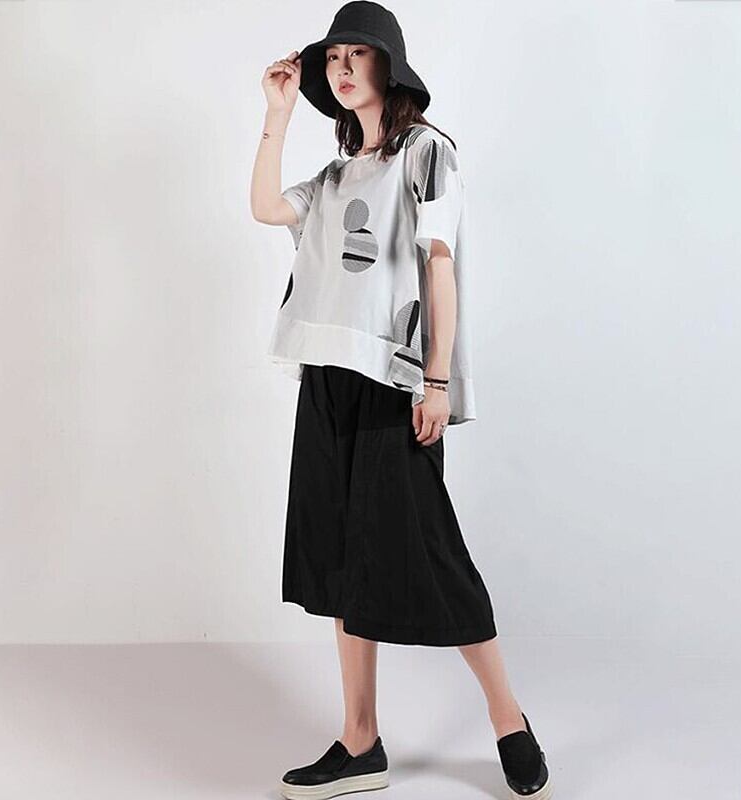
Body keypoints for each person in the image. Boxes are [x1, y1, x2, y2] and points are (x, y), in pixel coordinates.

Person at [250, 3, 553, 799]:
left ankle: (508, 719)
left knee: (432, 552)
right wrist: (278, 114)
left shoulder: (426, 153)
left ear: (390, 65)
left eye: (359, 53)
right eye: (333, 58)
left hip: (395, 380)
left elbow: (438, 264)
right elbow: (266, 208)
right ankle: (361, 740)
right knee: (340, 559)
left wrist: (437, 380)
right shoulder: (334, 175)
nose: (343, 67)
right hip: (328, 376)